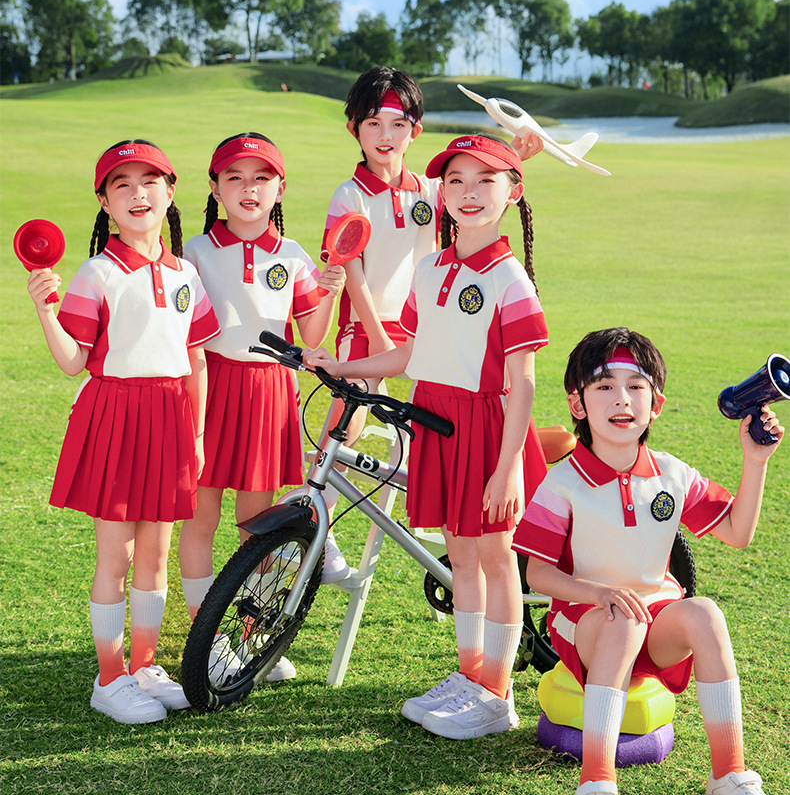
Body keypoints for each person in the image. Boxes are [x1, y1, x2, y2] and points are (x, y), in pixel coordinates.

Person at [305, 133, 549, 739]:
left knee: (496, 558)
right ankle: (471, 675)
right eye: (457, 181)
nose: (469, 193)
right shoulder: (430, 267)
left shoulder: (511, 280)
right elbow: (407, 355)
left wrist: (507, 469)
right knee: (460, 556)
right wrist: (342, 367)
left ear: (514, 192)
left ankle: (498, 694)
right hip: (435, 421)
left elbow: (522, 383)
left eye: (486, 181)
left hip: (488, 429)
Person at [515, 327, 790, 795]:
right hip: (586, 624)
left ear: (656, 404)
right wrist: (597, 594)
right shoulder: (562, 482)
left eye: (636, 386)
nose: (622, 399)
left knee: (705, 613)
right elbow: (538, 575)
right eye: (604, 386)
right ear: (577, 404)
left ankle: (729, 778)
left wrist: (756, 461)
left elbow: (738, 532)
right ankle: (596, 786)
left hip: (652, 621)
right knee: (621, 621)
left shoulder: (671, 473)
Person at [318, 67, 544, 582]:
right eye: (373, 123)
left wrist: (518, 152)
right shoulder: (349, 195)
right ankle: (319, 524)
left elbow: (479, 188)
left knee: (453, 421)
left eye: (398, 124)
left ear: (415, 130)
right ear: (355, 129)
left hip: (431, 326)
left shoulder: (428, 188)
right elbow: (351, 271)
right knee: (348, 415)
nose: (385, 136)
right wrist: (380, 337)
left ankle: (490, 507)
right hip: (371, 329)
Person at [26, 139, 220, 724]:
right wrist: (45, 310)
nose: (138, 194)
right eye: (122, 185)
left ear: (170, 192)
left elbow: (197, 359)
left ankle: (142, 666)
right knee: (117, 554)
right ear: (105, 202)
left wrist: (198, 436)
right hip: (115, 414)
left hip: (170, 416)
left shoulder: (186, 272)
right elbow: (72, 361)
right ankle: (109, 679)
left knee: (155, 554)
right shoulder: (98, 272)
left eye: (149, 181)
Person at [179, 132, 345, 681]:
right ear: (215, 188)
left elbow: (311, 336)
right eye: (235, 178)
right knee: (200, 519)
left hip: (270, 391)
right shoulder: (196, 252)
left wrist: (331, 290)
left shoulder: (293, 255)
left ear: (280, 188)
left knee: (259, 527)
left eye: (261, 178)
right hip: (209, 385)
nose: (248, 189)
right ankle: (206, 640)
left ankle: (249, 639)